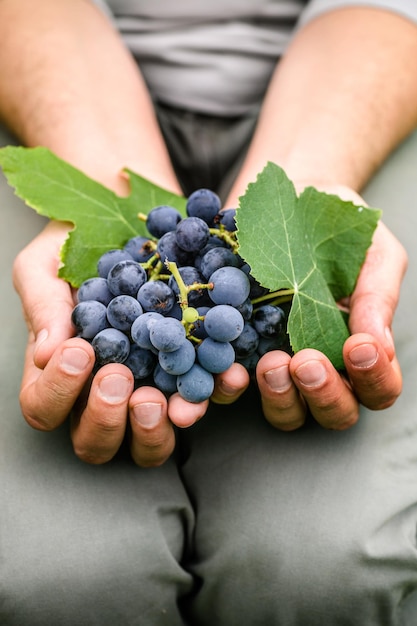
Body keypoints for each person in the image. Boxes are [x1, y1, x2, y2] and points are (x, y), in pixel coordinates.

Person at [0, 1, 416, 624]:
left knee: (325, 568)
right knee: (54, 574)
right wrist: (106, 178)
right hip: (68, 91)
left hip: (344, 98)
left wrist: (299, 196)